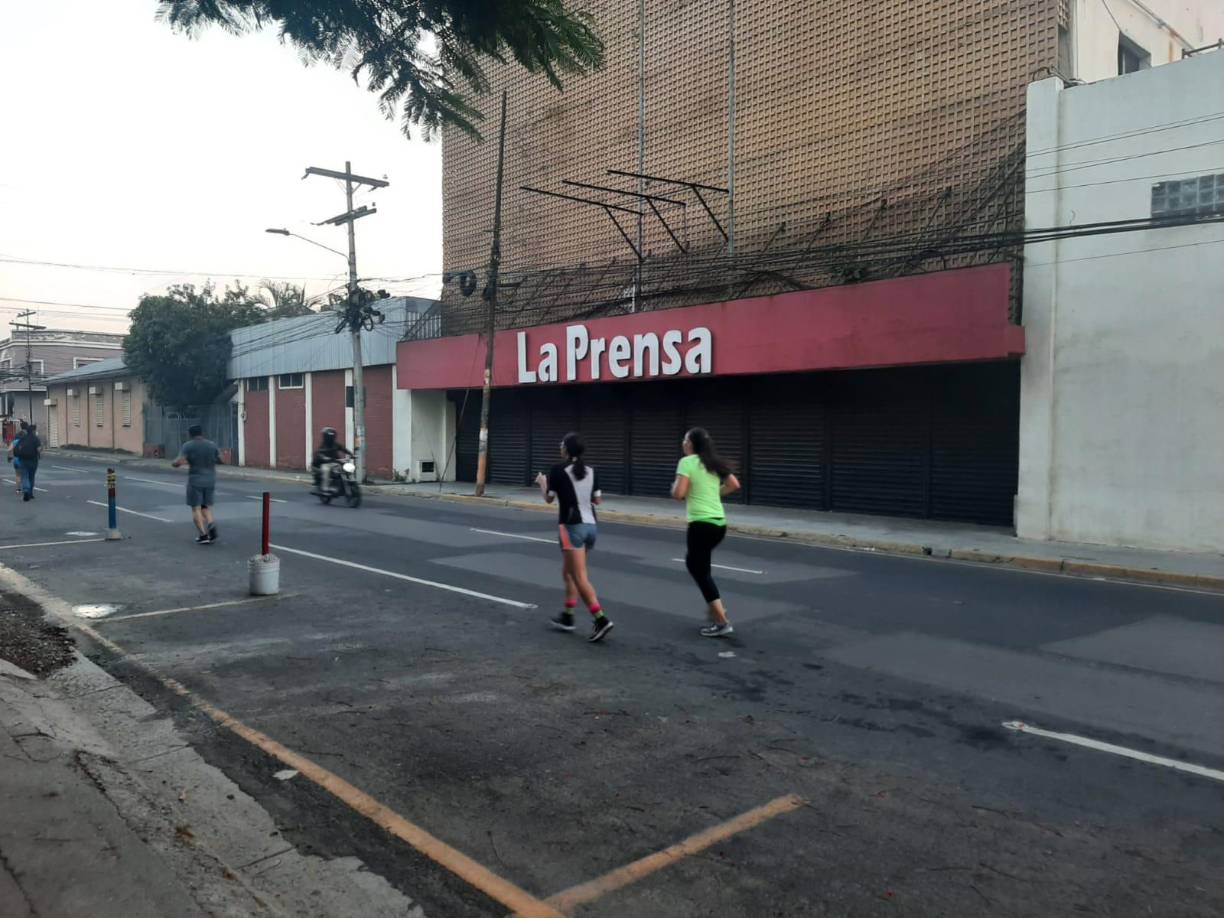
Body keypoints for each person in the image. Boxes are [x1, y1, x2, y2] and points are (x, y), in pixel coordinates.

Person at [536, 432, 614, 643]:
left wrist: (542, 482)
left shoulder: (557, 470)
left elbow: (549, 499)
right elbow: (598, 500)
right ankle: (568, 616)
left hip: (571, 528)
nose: (559, 447)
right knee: (569, 572)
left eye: (561, 445)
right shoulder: (590, 470)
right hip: (591, 527)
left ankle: (600, 619)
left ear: (566, 449)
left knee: (578, 576)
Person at [671, 427, 741, 638]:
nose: (683, 443)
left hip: (700, 524)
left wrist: (674, 487)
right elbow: (734, 484)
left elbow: (679, 494)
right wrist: (714, 495)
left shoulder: (687, 462)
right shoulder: (713, 462)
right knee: (701, 567)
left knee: (697, 568)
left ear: (691, 443)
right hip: (719, 524)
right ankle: (715, 610)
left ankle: (721, 620)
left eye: (685, 440)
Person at [172, 424, 221, 544]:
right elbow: (220, 460)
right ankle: (211, 524)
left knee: (196, 508)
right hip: (210, 480)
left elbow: (178, 462)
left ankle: (203, 535)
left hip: (195, 481)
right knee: (205, 506)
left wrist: (176, 463)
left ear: (190, 434)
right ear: (201, 433)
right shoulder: (211, 444)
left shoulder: (188, 445)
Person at [311, 427, 351, 495]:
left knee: (346, 467)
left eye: (332, 436)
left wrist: (351, 454)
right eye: (329, 436)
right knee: (326, 470)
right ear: (325, 437)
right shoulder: (323, 446)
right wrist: (324, 458)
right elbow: (318, 453)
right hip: (324, 464)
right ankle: (325, 488)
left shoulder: (335, 444)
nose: (330, 438)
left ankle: (344, 483)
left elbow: (343, 449)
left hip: (335, 462)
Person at [12, 422, 41, 502]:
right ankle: (30, 493)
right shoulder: (35, 439)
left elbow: (17, 448)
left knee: (24, 476)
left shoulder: (23, 438)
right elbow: (39, 449)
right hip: (33, 460)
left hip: (22, 460)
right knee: (31, 477)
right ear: (33, 431)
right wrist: (40, 453)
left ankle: (25, 490)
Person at [8, 420, 28, 496]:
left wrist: (9, 457)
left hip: (17, 460)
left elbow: (9, 449)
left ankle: (18, 489)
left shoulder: (16, 441)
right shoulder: (27, 440)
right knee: (26, 474)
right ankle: (25, 488)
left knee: (18, 475)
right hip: (26, 460)